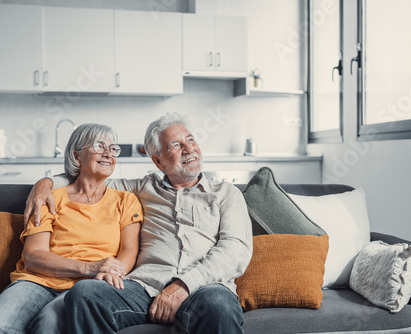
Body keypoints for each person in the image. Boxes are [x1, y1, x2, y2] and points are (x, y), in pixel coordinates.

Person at [25, 113, 253, 334]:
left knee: (220, 305)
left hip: (204, 288)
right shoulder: (141, 188)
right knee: (85, 292)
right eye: (175, 145)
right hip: (144, 288)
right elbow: (89, 177)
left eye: (191, 140)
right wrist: (44, 184)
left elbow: (235, 250)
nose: (189, 148)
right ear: (158, 160)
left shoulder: (226, 193)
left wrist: (183, 285)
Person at [0, 124, 143, 334]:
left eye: (113, 149)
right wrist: (90, 267)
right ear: (76, 156)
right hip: (37, 281)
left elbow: (130, 249)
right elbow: (34, 256)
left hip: (87, 287)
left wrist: (115, 271)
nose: (108, 154)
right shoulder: (49, 198)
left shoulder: (126, 201)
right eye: (99, 146)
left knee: (48, 326)